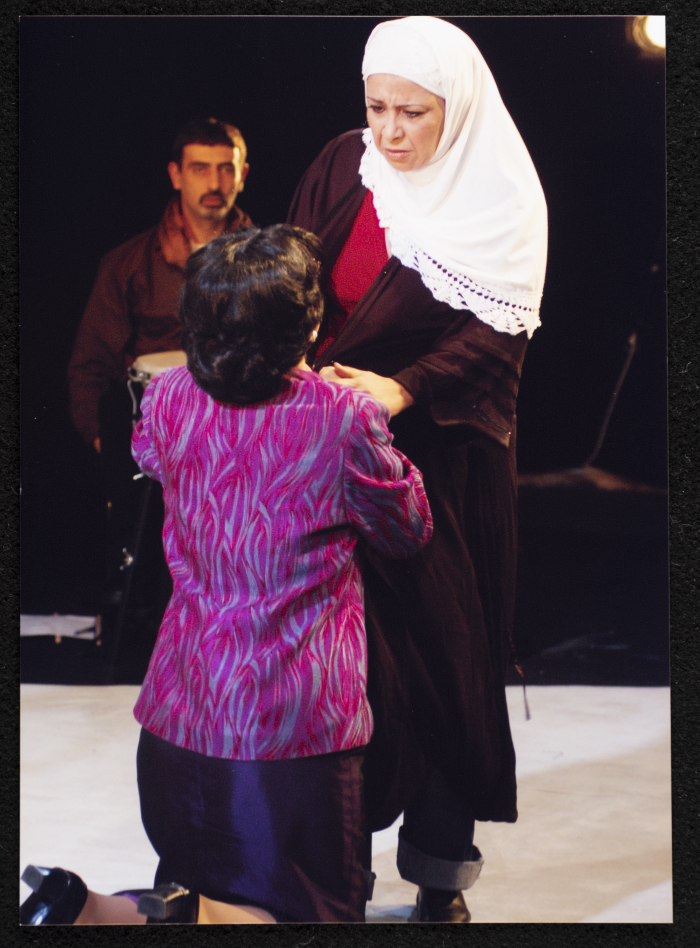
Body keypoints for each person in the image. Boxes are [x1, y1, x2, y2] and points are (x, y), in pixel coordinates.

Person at [21, 224, 433, 925]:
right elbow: (406, 529)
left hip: (181, 716)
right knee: (303, 913)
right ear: (309, 327)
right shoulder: (343, 419)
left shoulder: (168, 397)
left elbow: (152, 458)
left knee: (203, 890)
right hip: (290, 733)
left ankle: (89, 908)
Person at [287, 16, 548, 922]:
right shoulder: (343, 163)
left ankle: (440, 877)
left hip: (441, 460)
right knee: (352, 670)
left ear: (457, 109)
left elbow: (497, 342)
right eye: (377, 108)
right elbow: (292, 273)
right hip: (337, 449)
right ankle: (339, 867)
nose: (390, 132)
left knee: (445, 659)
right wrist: (296, 366)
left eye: (413, 113)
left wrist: (400, 389)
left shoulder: (502, 197)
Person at [67, 117, 252, 680]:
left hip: (243, 441)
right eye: (200, 168)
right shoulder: (128, 264)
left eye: (225, 168)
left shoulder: (269, 263)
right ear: (175, 175)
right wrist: (107, 446)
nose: (214, 182)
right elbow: (89, 368)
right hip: (153, 446)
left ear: (243, 174)